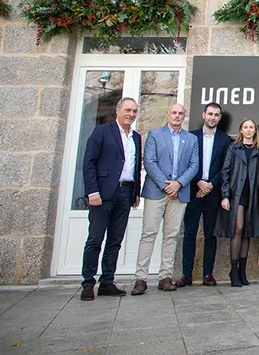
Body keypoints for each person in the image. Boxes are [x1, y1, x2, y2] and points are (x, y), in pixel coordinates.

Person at [132, 103, 199, 295]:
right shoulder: (155, 135)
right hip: (157, 192)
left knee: (171, 236)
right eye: (174, 113)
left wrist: (178, 184)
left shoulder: (191, 139)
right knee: (149, 234)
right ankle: (141, 278)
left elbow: (194, 165)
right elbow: (149, 162)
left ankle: (165, 276)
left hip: (179, 193)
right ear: (168, 114)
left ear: (184, 116)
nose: (177, 116)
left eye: (180, 113)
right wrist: (166, 185)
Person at [80, 97, 142, 301]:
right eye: (127, 110)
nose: (131, 114)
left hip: (125, 193)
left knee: (115, 240)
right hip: (103, 194)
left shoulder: (136, 137)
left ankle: (107, 281)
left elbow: (134, 166)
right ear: (118, 111)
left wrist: (135, 193)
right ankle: (88, 283)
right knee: (95, 239)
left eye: (134, 111)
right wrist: (92, 192)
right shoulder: (102, 132)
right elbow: (89, 163)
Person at [176, 102, 231, 288]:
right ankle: (186, 274)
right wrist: (198, 181)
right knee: (189, 233)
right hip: (192, 190)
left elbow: (225, 167)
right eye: (210, 114)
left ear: (220, 118)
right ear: (203, 115)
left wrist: (210, 184)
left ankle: (208, 273)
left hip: (213, 192)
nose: (213, 117)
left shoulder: (225, 140)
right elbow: (185, 163)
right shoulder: (190, 137)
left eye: (216, 115)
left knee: (210, 234)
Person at [215, 118, 259, 287]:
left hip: (252, 195)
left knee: (247, 231)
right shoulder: (234, 148)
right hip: (236, 194)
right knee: (239, 228)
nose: (249, 130)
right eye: (246, 127)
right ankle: (233, 270)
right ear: (241, 130)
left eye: (252, 127)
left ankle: (243, 271)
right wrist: (225, 195)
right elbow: (226, 172)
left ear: (255, 131)